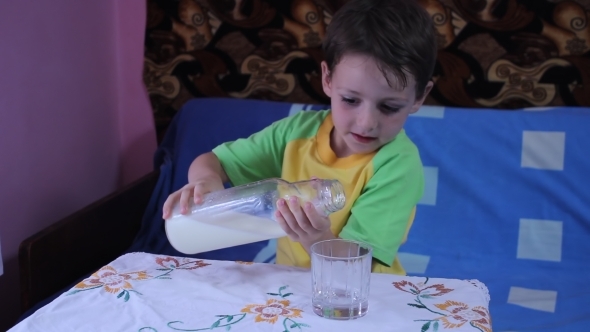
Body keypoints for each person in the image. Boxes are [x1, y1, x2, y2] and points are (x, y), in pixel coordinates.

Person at [162, 0, 437, 275]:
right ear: (327, 79)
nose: (366, 123)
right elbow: (212, 161)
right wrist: (204, 183)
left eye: (389, 107)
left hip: (361, 298)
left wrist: (316, 237)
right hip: (293, 290)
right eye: (350, 100)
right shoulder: (297, 133)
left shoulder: (397, 165)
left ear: (419, 97)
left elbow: (356, 267)